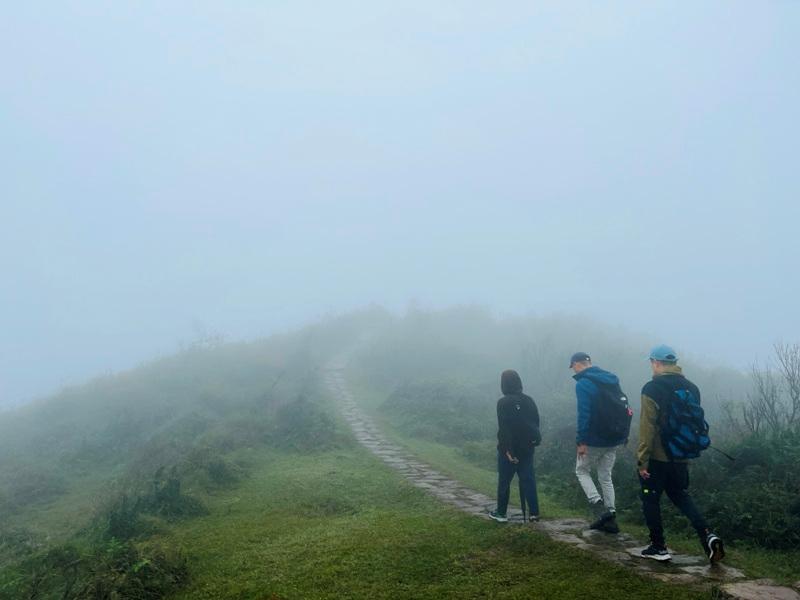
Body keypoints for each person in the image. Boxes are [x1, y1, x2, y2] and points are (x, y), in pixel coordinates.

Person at [637, 344, 724, 563]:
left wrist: (642, 460)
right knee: (681, 496)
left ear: (656, 363)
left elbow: (647, 428)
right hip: (681, 456)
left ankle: (658, 546)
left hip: (657, 457)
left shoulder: (651, 388)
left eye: (651, 363)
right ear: (674, 363)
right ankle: (707, 535)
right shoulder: (691, 387)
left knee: (650, 498)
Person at [570, 352, 629, 534]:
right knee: (605, 476)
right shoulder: (610, 379)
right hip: (614, 438)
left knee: (581, 470)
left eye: (572, 366)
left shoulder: (583, 384)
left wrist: (581, 441)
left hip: (595, 439)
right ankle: (610, 518)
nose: (573, 370)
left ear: (577, 364)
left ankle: (600, 509)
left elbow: (584, 414)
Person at [489, 369, 541, 523]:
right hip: (527, 447)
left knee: (504, 480)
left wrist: (507, 450)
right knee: (528, 479)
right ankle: (534, 513)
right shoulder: (529, 400)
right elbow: (536, 423)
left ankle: (501, 513)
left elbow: (504, 429)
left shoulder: (503, 402)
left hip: (509, 449)